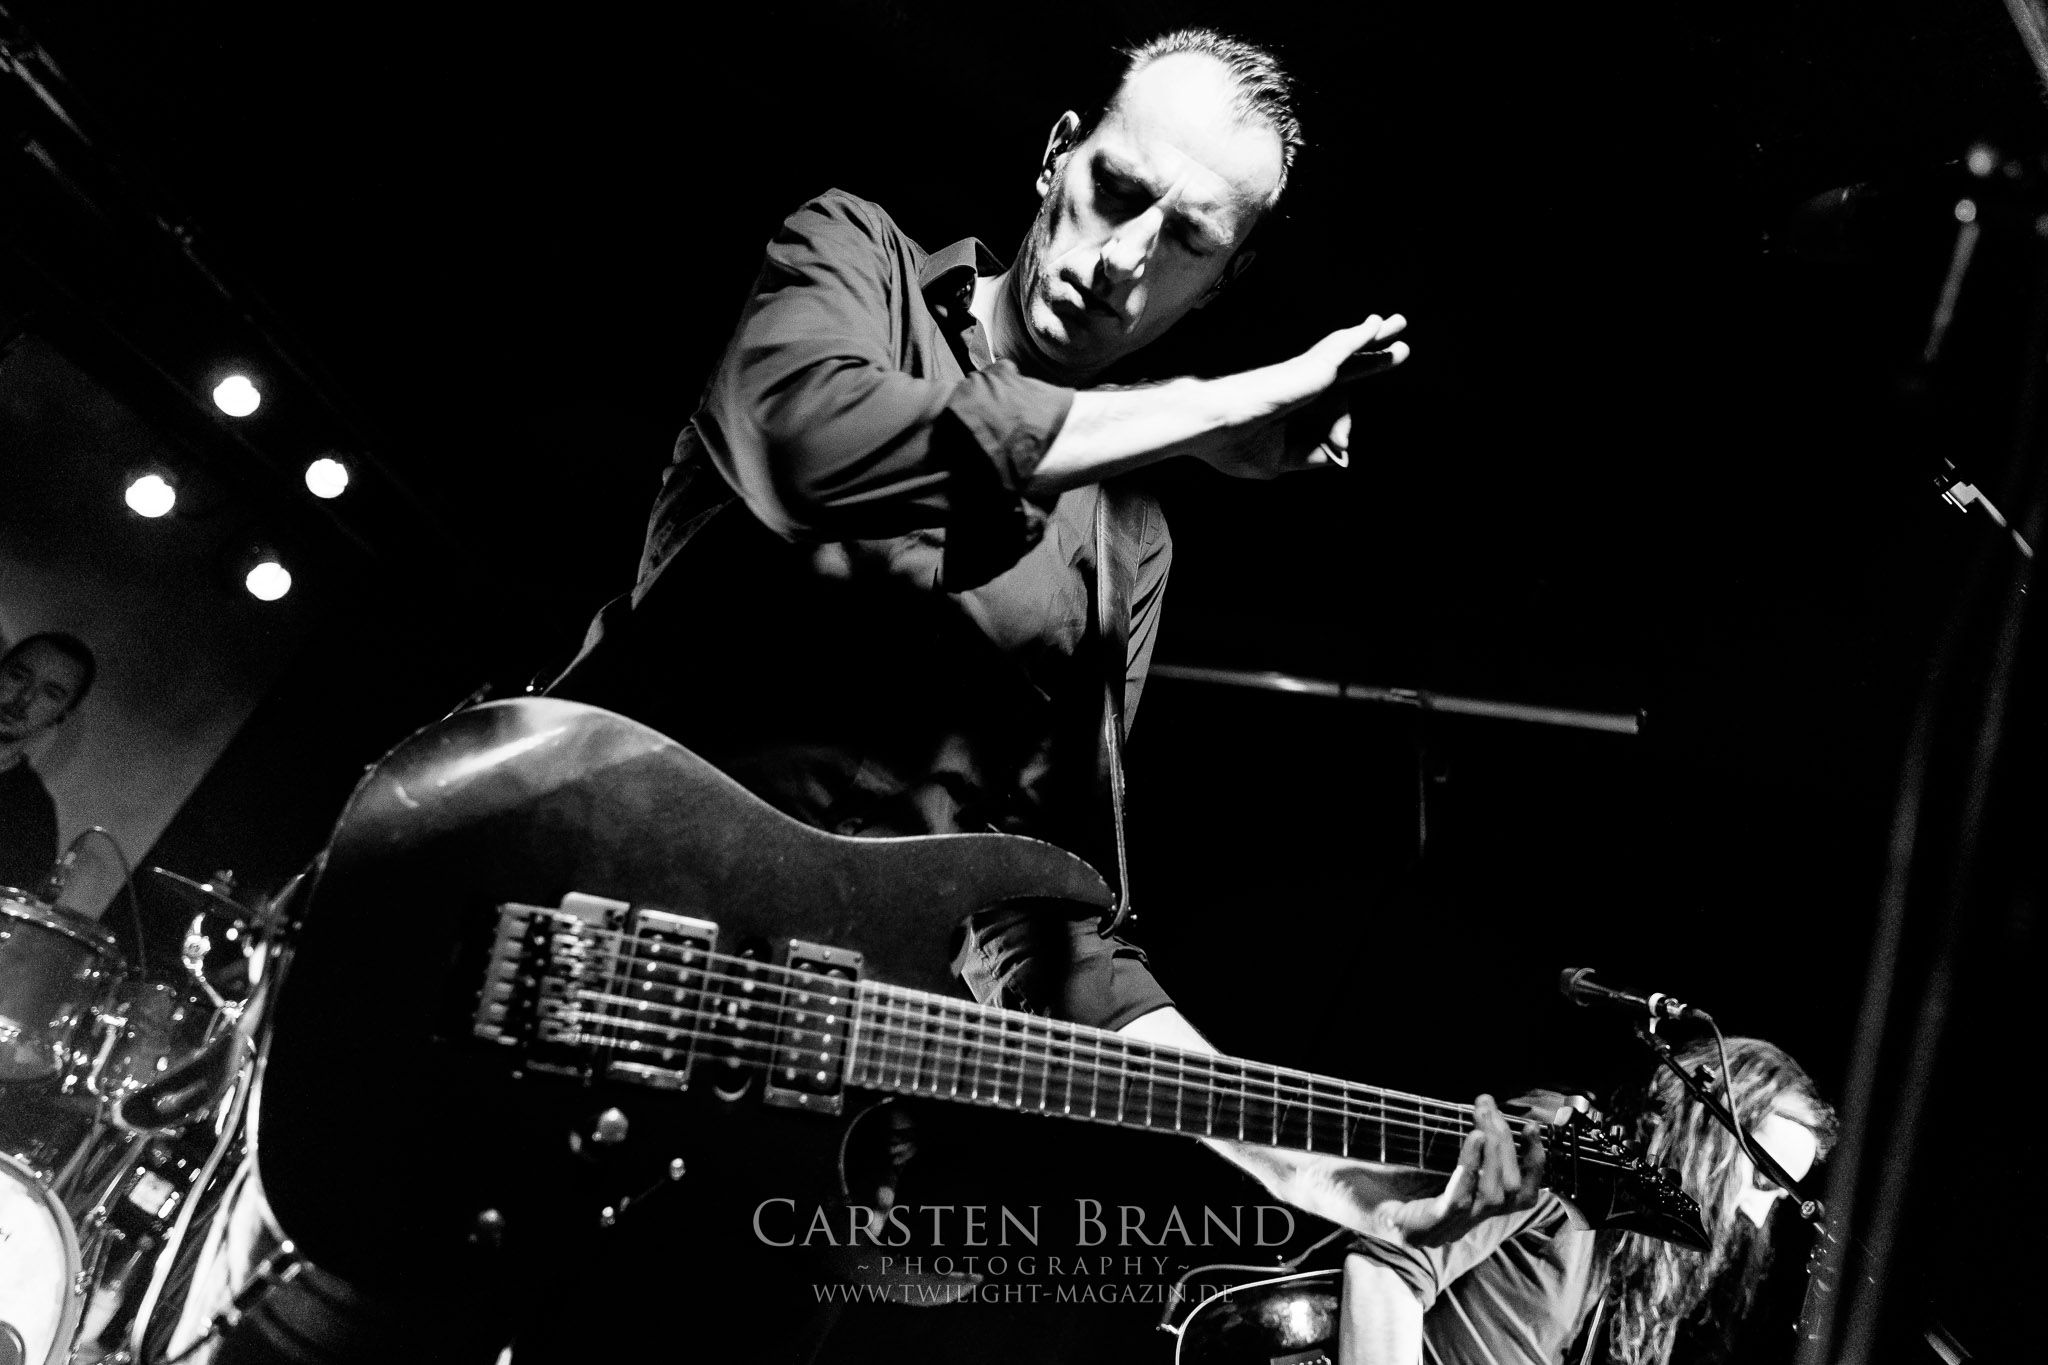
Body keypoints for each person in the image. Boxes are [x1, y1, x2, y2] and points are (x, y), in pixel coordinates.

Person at [1336, 1036, 1837, 1365]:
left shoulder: (1640, 1252)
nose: (1756, 1216)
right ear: (1710, 1136)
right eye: (1763, 1179)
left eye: (1779, 1197)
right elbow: (1385, 1269)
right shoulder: (1564, 1152)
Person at [0, 630, 95, 893]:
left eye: (51, 693)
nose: (24, 699)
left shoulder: (32, 816)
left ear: (63, 713)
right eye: (18, 676)